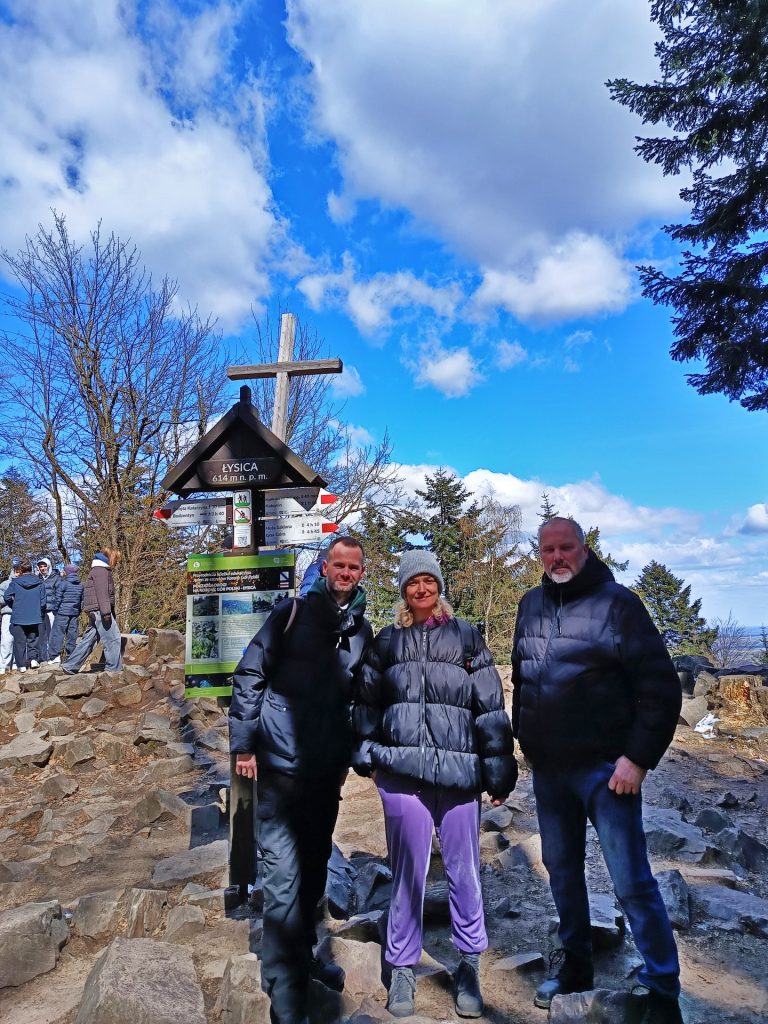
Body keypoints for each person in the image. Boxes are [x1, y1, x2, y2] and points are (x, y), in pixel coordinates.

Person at [511, 518, 683, 1024]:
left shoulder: (619, 605)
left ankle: (662, 987)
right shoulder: (530, 605)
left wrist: (638, 759)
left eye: (566, 547)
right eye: (548, 549)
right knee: (562, 872)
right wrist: (526, 739)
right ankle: (576, 967)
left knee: (630, 879)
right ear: (539, 554)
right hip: (550, 771)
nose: (557, 557)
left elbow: (660, 688)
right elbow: (523, 678)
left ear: (583, 550)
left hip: (608, 772)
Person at [352, 550, 517, 1019]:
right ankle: (402, 967)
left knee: (465, 872)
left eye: (428, 581)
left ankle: (469, 965)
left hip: (460, 776)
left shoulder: (465, 636)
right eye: (413, 583)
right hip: (402, 774)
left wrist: (498, 771)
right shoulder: (387, 641)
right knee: (407, 874)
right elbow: (366, 703)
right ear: (403, 590)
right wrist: (368, 758)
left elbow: (489, 706)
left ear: (439, 586)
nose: (421, 589)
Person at [229, 535, 373, 1024]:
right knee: (282, 881)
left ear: (361, 573)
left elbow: (363, 698)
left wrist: (360, 751)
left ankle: (300, 957)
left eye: (354, 567)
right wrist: (245, 744)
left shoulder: (361, 631)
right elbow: (249, 675)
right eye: (339, 565)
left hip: (325, 775)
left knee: (312, 875)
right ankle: (286, 998)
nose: (346, 573)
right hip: (279, 771)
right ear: (325, 567)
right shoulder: (290, 615)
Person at [62, 549, 122, 674]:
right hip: (100, 610)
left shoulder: (97, 570)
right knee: (113, 638)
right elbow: (102, 592)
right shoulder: (101, 571)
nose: (116, 564)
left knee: (89, 639)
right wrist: (106, 612)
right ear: (110, 558)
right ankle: (113, 670)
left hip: (95, 609)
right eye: (116, 560)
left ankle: (70, 665)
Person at [4, 560, 46, 670]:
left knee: (19, 642)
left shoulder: (15, 582)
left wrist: (13, 606)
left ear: (21, 570)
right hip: (34, 615)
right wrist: (39, 612)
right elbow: (43, 602)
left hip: (18, 616)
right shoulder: (39, 582)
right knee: (33, 639)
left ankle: (21, 665)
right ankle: (33, 660)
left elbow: (6, 596)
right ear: (31, 569)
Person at [48, 564, 84, 663]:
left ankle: (54, 656)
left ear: (67, 572)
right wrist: (78, 611)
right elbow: (82, 601)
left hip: (62, 613)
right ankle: (71, 656)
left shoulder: (63, 583)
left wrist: (55, 610)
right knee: (72, 635)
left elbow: (58, 599)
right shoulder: (81, 585)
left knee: (57, 635)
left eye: (64, 571)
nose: (63, 572)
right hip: (74, 613)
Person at [36, 557, 60, 662]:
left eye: (44, 566)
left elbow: (59, 593)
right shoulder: (37, 579)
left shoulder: (56, 577)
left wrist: (56, 607)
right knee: (41, 635)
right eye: (40, 566)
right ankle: (43, 657)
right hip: (41, 611)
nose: (42, 568)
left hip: (52, 610)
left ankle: (54, 656)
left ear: (48, 566)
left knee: (53, 633)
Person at [0, 560, 19, 674]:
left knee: (19, 640)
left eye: (20, 571)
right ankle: (4, 665)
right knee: (6, 640)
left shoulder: (25, 584)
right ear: (13, 571)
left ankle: (16, 663)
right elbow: (1, 598)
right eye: (17, 571)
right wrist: (11, 599)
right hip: (8, 613)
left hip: (21, 615)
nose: (18, 573)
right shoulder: (5, 584)